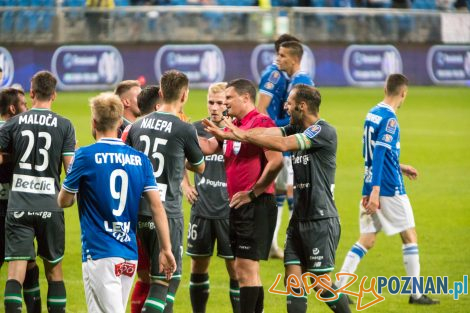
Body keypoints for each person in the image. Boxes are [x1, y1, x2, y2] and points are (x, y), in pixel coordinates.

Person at [203, 84, 351, 313]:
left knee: (320, 285)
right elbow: (267, 134)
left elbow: (281, 145)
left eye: (289, 103)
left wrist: (238, 133)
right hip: (299, 220)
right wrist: (235, 133)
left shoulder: (323, 131)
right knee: (292, 283)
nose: (285, 106)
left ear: (302, 106)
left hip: (320, 218)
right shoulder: (294, 128)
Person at [57, 92, 176, 313]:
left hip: (100, 252)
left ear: (94, 122)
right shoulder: (141, 159)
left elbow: (64, 201)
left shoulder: (84, 156)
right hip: (129, 253)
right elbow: (157, 206)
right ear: (120, 122)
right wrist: (166, 248)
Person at [336, 74, 440, 305]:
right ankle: (416, 294)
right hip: (388, 187)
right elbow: (380, 154)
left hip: (372, 181)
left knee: (367, 239)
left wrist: (399, 167)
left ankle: (339, 287)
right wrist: (375, 191)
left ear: (385, 88)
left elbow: (370, 153)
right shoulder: (391, 120)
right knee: (410, 236)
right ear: (403, 93)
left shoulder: (372, 113)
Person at [199, 79, 283, 313]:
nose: (224, 103)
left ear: (245, 98)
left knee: (245, 271)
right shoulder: (233, 126)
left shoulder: (262, 123)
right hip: (238, 205)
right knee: (246, 271)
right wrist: (180, 127)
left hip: (256, 204)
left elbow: (276, 162)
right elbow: (207, 148)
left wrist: (253, 193)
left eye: (229, 98)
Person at [125, 70, 205, 313]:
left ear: (160, 92)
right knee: (164, 282)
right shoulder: (184, 129)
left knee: (146, 278)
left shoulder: (137, 126)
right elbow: (200, 166)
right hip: (167, 214)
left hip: (138, 213)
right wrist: (178, 158)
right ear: (185, 95)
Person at [0, 71, 76, 313]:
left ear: (31, 93)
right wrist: (69, 198)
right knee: (54, 270)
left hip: (18, 205)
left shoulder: (12, 124)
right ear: (54, 94)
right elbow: (70, 169)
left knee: (16, 272)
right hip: (50, 206)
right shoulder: (65, 125)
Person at [181, 82, 239, 313]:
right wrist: (185, 185)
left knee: (235, 268)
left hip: (230, 210)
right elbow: (178, 159)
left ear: (228, 104)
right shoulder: (194, 129)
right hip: (202, 208)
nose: (215, 107)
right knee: (198, 265)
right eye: (211, 102)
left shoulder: (237, 130)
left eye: (220, 103)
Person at [258, 33, 300, 259]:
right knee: (289, 191)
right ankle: (292, 245)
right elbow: (261, 110)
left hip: (279, 139)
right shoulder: (274, 74)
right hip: (277, 141)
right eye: (282, 53)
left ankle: (272, 244)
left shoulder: (281, 74)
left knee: (281, 193)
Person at [0, 87, 43, 313]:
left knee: (29, 264)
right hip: (13, 208)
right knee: (26, 268)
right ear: (12, 108)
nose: (27, 109)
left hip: (14, 208)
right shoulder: (15, 131)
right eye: (24, 105)